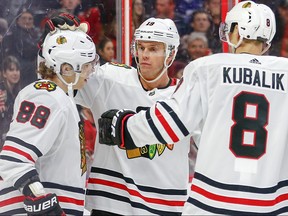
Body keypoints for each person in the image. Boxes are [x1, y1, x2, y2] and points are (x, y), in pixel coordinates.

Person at [98, 1, 288, 215]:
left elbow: (171, 122)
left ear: (238, 31)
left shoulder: (208, 68)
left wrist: (124, 127)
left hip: (213, 204)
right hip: (274, 205)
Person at [48, 15, 191, 215]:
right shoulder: (110, 78)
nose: (144, 55)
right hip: (109, 203)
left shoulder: (187, 96)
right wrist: (63, 47)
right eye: (141, 47)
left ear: (171, 54)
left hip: (165, 207)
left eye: (153, 49)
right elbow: (58, 82)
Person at [0, 27, 98, 215]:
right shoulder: (46, 95)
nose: (90, 71)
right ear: (67, 68)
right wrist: (40, 199)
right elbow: (13, 160)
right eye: (86, 65)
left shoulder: (60, 98)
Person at [0, 55, 21, 149]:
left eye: (17, 70)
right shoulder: (2, 91)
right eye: (11, 70)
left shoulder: (19, 92)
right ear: (4, 73)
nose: (15, 73)